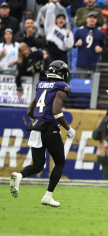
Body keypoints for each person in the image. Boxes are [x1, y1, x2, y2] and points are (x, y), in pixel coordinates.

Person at [10, 60, 76, 207]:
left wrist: (40, 122)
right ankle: (48, 196)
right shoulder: (61, 86)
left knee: (38, 165)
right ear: (61, 73)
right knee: (59, 162)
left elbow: (29, 111)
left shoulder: (41, 85)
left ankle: (19, 175)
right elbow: (56, 111)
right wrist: (68, 128)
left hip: (36, 127)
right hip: (49, 128)